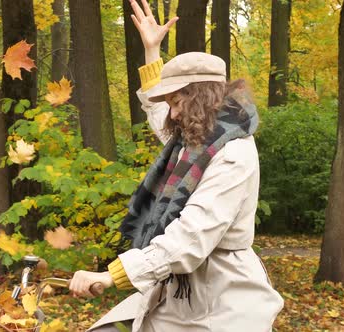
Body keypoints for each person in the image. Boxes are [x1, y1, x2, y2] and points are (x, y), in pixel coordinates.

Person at [68, 1, 284, 331]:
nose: (172, 114)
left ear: (200, 98)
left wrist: (112, 275)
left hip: (222, 298)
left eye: (177, 102)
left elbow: (190, 237)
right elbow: (159, 116)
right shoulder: (194, 140)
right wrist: (152, 51)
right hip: (176, 292)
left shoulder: (232, 153)